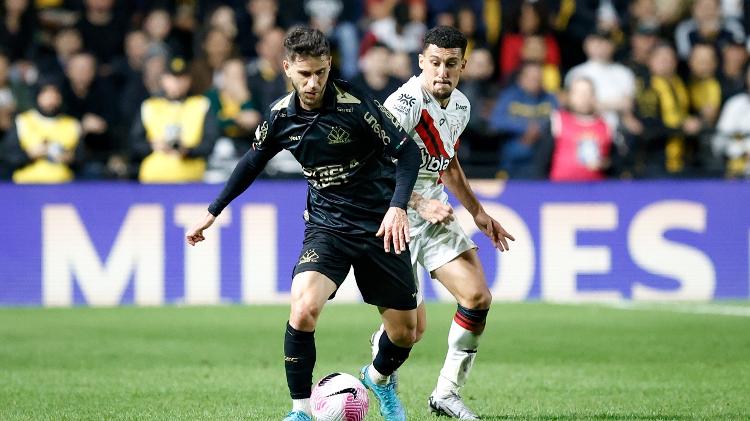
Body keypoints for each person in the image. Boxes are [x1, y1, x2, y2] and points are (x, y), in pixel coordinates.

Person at [185, 27, 421, 421]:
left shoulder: (356, 104)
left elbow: (408, 153)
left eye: (321, 73)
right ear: (287, 69)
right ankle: (301, 411)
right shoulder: (281, 116)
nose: (314, 83)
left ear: (330, 66)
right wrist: (213, 210)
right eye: (305, 74)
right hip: (327, 227)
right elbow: (251, 162)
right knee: (303, 308)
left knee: (403, 333)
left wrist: (398, 207)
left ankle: (378, 378)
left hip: (380, 225)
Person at [374, 26, 515, 420]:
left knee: (477, 298)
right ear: (421, 62)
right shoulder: (402, 106)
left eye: (451, 64)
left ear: (462, 66)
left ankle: (446, 394)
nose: (442, 72)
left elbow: (447, 162)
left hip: (434, 212)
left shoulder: (461, 107)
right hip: (394, 215)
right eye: (434, 63)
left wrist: (477, 211)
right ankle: (379, 366)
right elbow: (373, 168)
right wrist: (416, 202)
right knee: (409, 333)